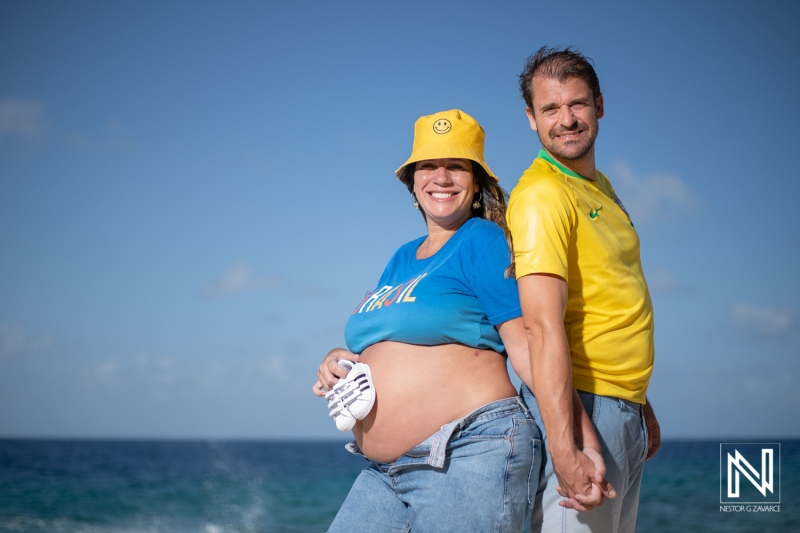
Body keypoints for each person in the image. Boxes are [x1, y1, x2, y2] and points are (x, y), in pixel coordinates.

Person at [312, 109, 608, 532]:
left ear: (476, 182)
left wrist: (582, 445)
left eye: (456, 166)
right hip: (386, 470)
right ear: (413, 181)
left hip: (468, 451)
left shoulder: (482, 241)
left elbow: (529, 347)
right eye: (429, 165)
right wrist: (343, 357)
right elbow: (391, 337)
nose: (442, 177)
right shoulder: (400, 257)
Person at [507, 46, 662, 533]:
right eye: (550, 109)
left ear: (599, 104)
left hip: (621, 406)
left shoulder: (601, 187)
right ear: (531, 119)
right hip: (583, 409)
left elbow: (610, 299)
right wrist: (564, 444)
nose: (567, 119)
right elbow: (542, 326)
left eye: (576, 104)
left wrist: (640, 405)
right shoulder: (542, 196)